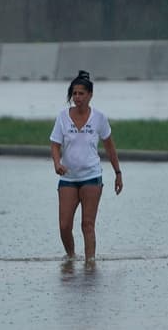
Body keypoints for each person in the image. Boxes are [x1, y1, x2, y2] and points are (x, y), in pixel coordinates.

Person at [50, 70, 123, 263]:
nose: (77, 97)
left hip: (91, 176)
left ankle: (90, 264)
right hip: (68, 178)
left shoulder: (99, 118)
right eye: (74, 93)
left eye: (81, 93)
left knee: (87, 224)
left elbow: (109, 147)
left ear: (90, 95)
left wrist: (118, 173)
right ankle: (71, 258)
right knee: (64, 225)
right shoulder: (62, 117)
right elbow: (55, 144)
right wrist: (57, 163)